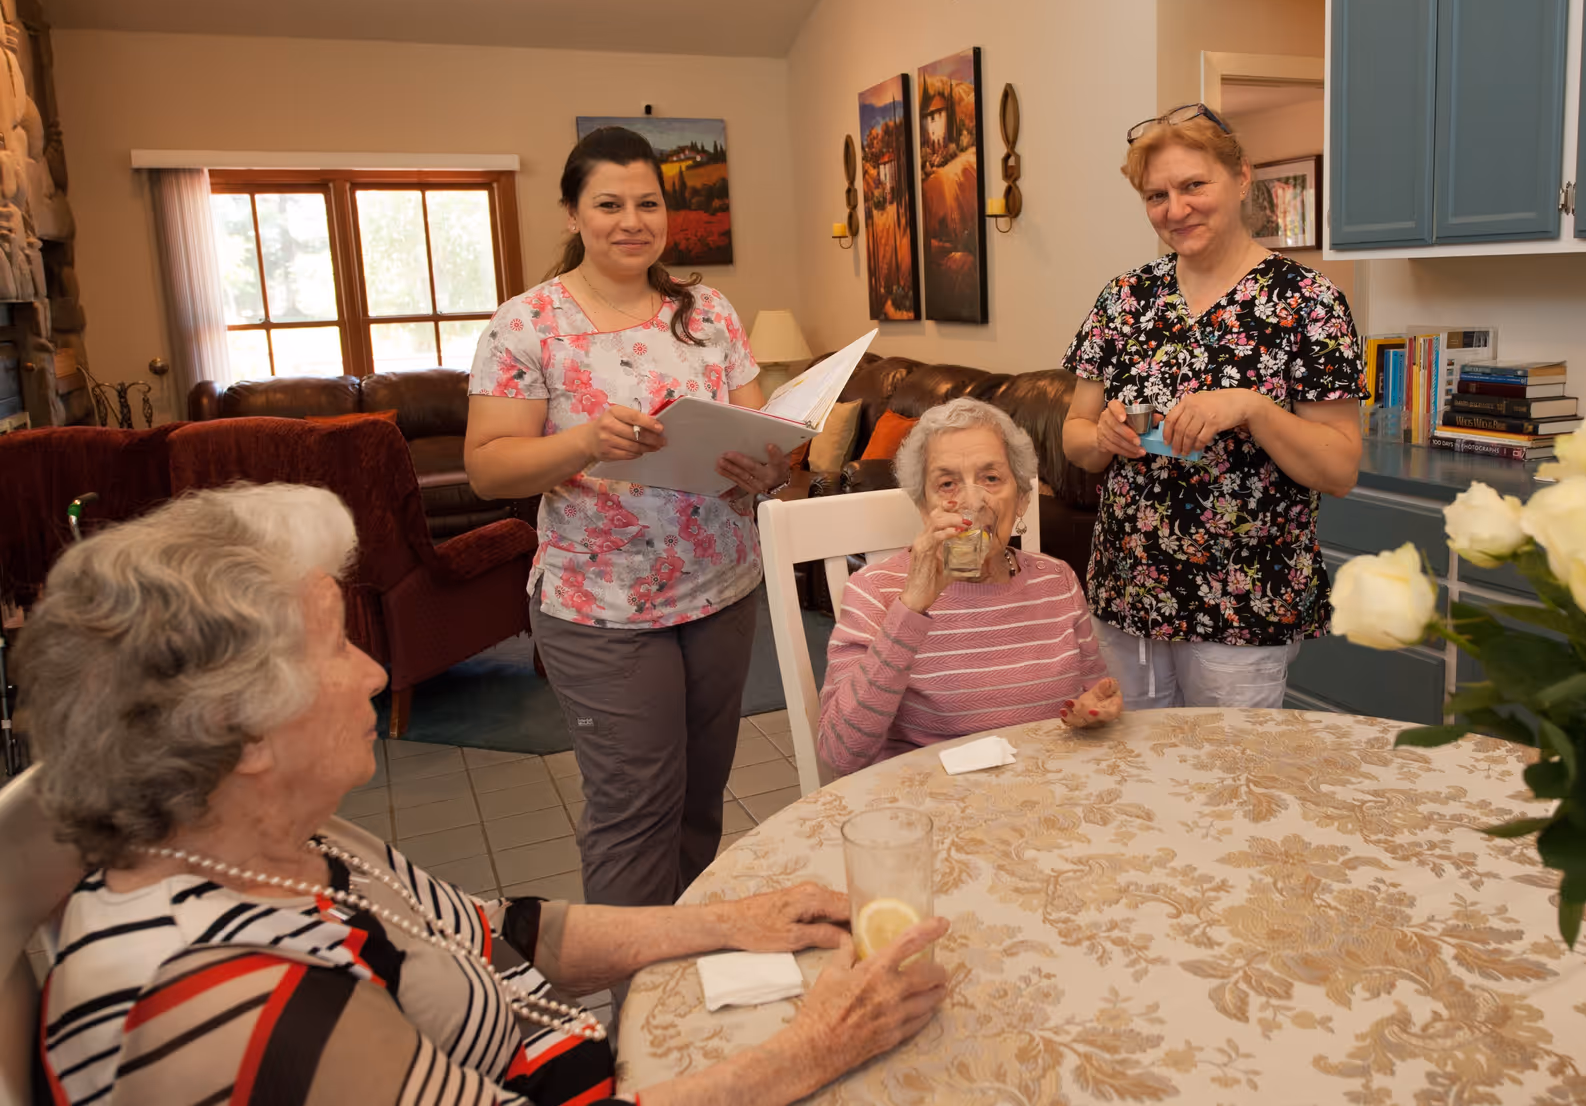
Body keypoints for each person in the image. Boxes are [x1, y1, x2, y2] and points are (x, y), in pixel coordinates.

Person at [21, 484, 949, 1106]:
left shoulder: (268, 836)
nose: (377, 673)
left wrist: (730, 918)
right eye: (337, 648)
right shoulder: (226, 1001)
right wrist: (809, 1053)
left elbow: (506, 929)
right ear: (243, 731)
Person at [465, 127, 790, 910]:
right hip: (601, 609)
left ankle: (688, 969)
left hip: (723, 588)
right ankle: (632, 999)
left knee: (702, 797)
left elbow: (764, 435)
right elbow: (486, 466)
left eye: (648, 203)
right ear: (574, 215)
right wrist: (583, 441)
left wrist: (770, 464)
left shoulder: (706, 310)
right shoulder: (528, 322)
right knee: (635, 808)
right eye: (608, 204)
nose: (631, 220)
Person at [1061, 104, 1366, 709]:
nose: (1175, 210)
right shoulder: (1125, 298)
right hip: (1130, 591)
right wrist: (1102, 436)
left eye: (1193, 185)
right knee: (1130, 774)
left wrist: (1254, 408)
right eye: (1156, 196)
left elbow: (1339, 469)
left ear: (1242, 178)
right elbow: (1073, 433)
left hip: (1245, 600)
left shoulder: (1308, 301)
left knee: (1227, 787)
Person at [817, 398, 1122, 774]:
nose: (970, 500)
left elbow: (1092, 695)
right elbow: (840, 753)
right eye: (947, 483)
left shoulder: (1056, 581)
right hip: (931, 807)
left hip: (1045, 795)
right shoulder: (875, 590)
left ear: (1023, 498)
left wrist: (1096, 709)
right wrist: (911, 607)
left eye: (991, 478)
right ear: (923, 505)